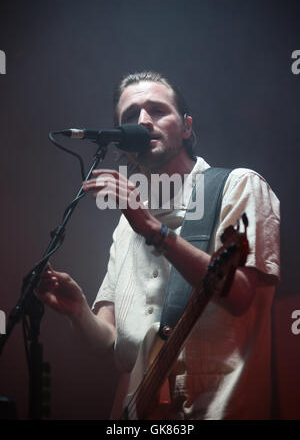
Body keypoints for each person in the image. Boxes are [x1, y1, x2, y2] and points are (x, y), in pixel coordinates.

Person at [37, 71, 280, 420]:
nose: (143, 121)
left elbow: (238, 294)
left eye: (157, 110)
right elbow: (109, 342)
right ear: (122, 139)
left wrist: (151, 229)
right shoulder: (126, 223)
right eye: (130, 116)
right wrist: (78, 311)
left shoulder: (237, 186)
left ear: (186, 127)